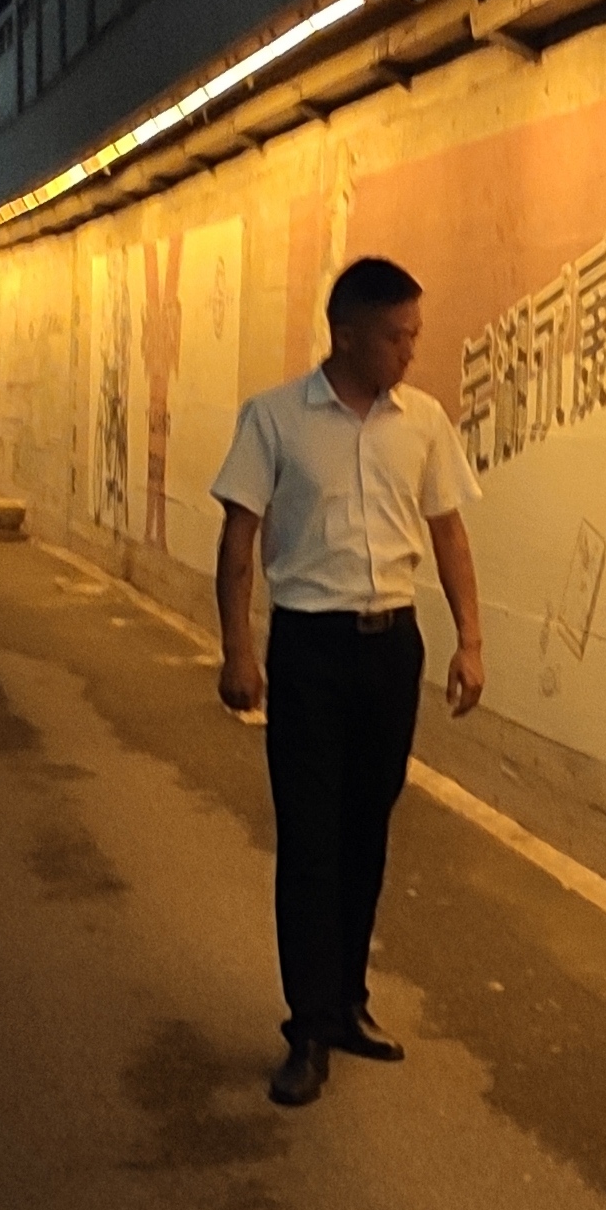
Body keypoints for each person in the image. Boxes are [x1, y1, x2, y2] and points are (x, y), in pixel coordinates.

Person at [209, 256, 485, 1107]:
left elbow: (448, 534)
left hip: (390, 650)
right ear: (347, 335)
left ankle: (348, 1004)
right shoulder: (274, 419)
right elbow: (238, 540)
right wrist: (238, 651)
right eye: (396, 336)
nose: (410, 351)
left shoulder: (423, 422)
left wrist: (470, 641)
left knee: (366, 832)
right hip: (310, 652)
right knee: (310, 839)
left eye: (414, 335)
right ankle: (307, 1029)